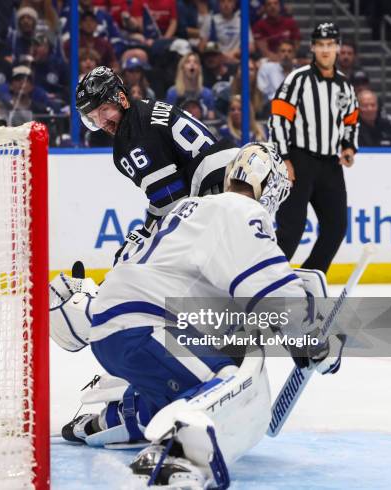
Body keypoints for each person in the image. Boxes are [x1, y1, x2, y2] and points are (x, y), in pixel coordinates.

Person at [49, 142, 345, 487]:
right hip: (148, 327)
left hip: (112, 329)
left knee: (184, 383)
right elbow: (269, 286)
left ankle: (109, 420)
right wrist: (313, 339)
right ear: (268, 188)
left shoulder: (190, 208)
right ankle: (179, 458)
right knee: (231, 383)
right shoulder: (244, 212)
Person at [76, 66, 239, 259]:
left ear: (120, 98)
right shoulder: (144, 110)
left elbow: (170, 200)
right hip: (233, 180)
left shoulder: (132, 136)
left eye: (104, 110)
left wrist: (145, 235)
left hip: (219, 194)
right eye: (93, 117)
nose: (102, 122)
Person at [268, 23, 359, 274]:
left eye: (330, 44)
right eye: (321, 45)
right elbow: (277, 118)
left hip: (330, 164)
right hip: (299, 160)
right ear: (313, 47)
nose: (326, 50)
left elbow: (351, 120)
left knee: (337, 227)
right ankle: (263, 278)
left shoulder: (345, 85)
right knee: (291, 230)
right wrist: (284, 159)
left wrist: (349, 147)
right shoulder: (298, 79)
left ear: (338, 47)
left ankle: (308, 278)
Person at [165, 53, 215, 119]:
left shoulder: (207, 94)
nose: (192, 64)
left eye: (195, 62)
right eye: (188, 62)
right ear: (182, 68)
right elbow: (169, 118)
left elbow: (211, 119)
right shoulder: (173, 93)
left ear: (199, 68)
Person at [210, 0, 254, 65]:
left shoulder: (242, 21)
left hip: (238, 59)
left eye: (230, 1)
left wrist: (235, 53)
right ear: (218, 4)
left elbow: (251, 47)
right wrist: (223, 56)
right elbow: (207, 45)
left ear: (234, 4)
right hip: (218, 61)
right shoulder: (212, 21)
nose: (226, 4)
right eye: (222, 1)